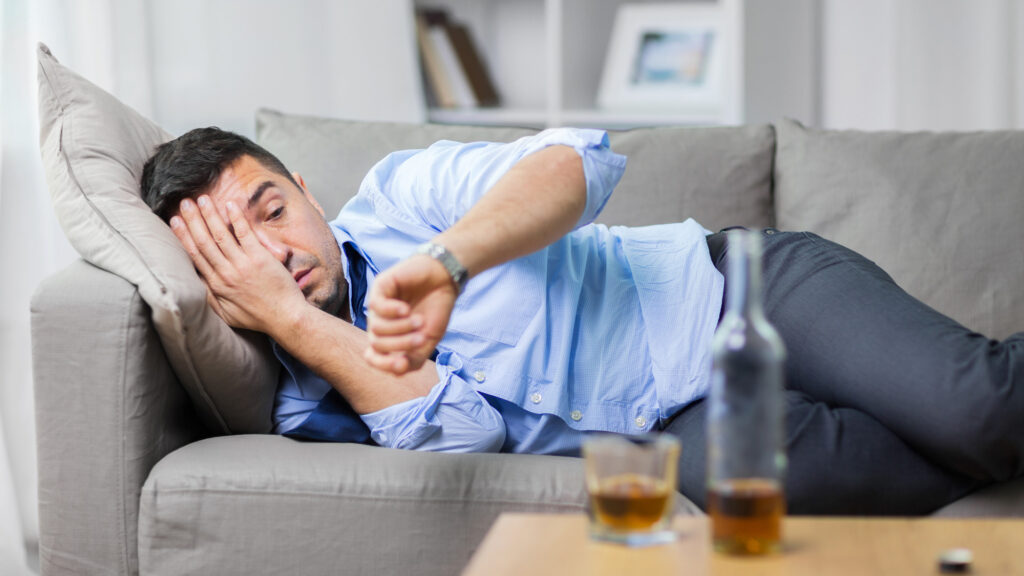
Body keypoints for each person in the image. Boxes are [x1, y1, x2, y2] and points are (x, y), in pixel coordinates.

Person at [141, 126, 1024, 515]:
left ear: (307, 192)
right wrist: (291, 321)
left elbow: (576, 162)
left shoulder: (400, 196)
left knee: (978, 409)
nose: (274, 251)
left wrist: (450, 261)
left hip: (737, 290)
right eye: (234, 249)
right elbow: (465, 436)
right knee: (772, 493)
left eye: (272, 211)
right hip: (679, 426)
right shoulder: (305, 402)